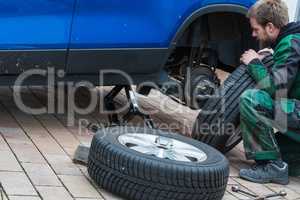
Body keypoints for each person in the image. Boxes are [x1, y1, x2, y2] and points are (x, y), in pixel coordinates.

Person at [239, 0, 300, 185]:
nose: (253, 34)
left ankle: (273, 167)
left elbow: (275, 88)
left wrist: (254, 63)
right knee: (284, 156)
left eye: (256, 29)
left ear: (271, 27)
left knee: (251, 99)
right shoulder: (294, 39)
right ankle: (286, 162)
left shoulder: (290, 43)